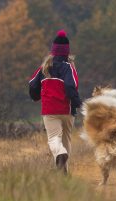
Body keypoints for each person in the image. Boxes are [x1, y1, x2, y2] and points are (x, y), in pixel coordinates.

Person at [29, 30, 82, 174]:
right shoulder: (69, 67)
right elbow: (71, 86)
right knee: (66, 139)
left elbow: (32, 84)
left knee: (54, 139)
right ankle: (64, 170)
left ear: (53, 50)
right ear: (67, 51)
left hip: (49, 110)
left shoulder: (44, 67)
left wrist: (35, 97)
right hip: (67, 110)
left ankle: (60, 155)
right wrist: (77, 102)